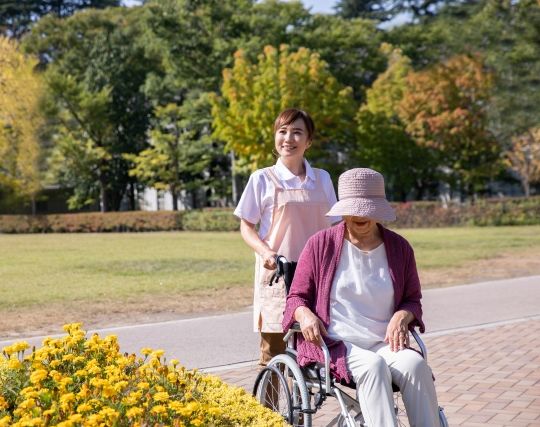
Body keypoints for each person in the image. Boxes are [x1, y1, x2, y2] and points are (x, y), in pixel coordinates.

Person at [282, 168, 441, 426]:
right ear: (343, 208)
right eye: (354, 207)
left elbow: (412, 299)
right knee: (372, 366)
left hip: (385, 342)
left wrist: (402, 316)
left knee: (416, 366)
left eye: (368, 208)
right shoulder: (320, 245)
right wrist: (306, 314)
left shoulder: (400, 248)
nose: (361, 214)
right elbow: (296, 298)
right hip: (337, 343)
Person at [234, 108, 339, 366]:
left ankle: (302, 405)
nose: (288, 138)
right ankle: (266, 407)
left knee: (316, 349)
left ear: (308, 141)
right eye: (282, 132)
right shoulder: (262, 179)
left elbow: (336, 225)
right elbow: (246, 226)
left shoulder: (322, 179)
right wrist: (265, 252)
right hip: (278, 274)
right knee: (273, 354)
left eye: (296, 132)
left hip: (317, 275)